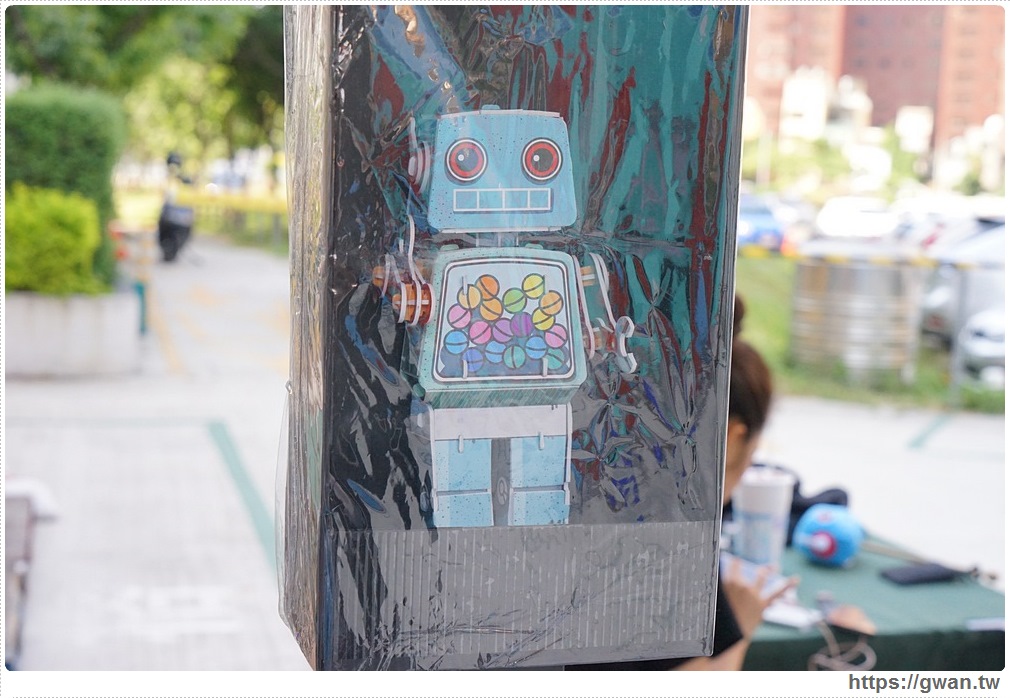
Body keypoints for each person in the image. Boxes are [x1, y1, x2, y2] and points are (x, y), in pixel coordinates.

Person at [569, 297, 795, 671]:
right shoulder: (681, 542)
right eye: (754, 450)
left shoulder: (596, 496)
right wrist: (741, 625)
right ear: (732, 438)